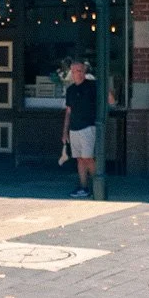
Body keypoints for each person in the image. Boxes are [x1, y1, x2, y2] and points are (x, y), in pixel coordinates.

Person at [61, 60, 99, 198]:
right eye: (76, 71)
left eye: (81, 70)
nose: (79, 73)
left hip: (88, 127)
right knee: (79, 159)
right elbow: (68, 112)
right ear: (72, 73)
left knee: (88, 158)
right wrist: (65, 131)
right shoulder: (70, 90)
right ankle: (84, 187)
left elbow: (110, 100)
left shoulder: (92, 86)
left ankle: (97, 185)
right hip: (74, 128)